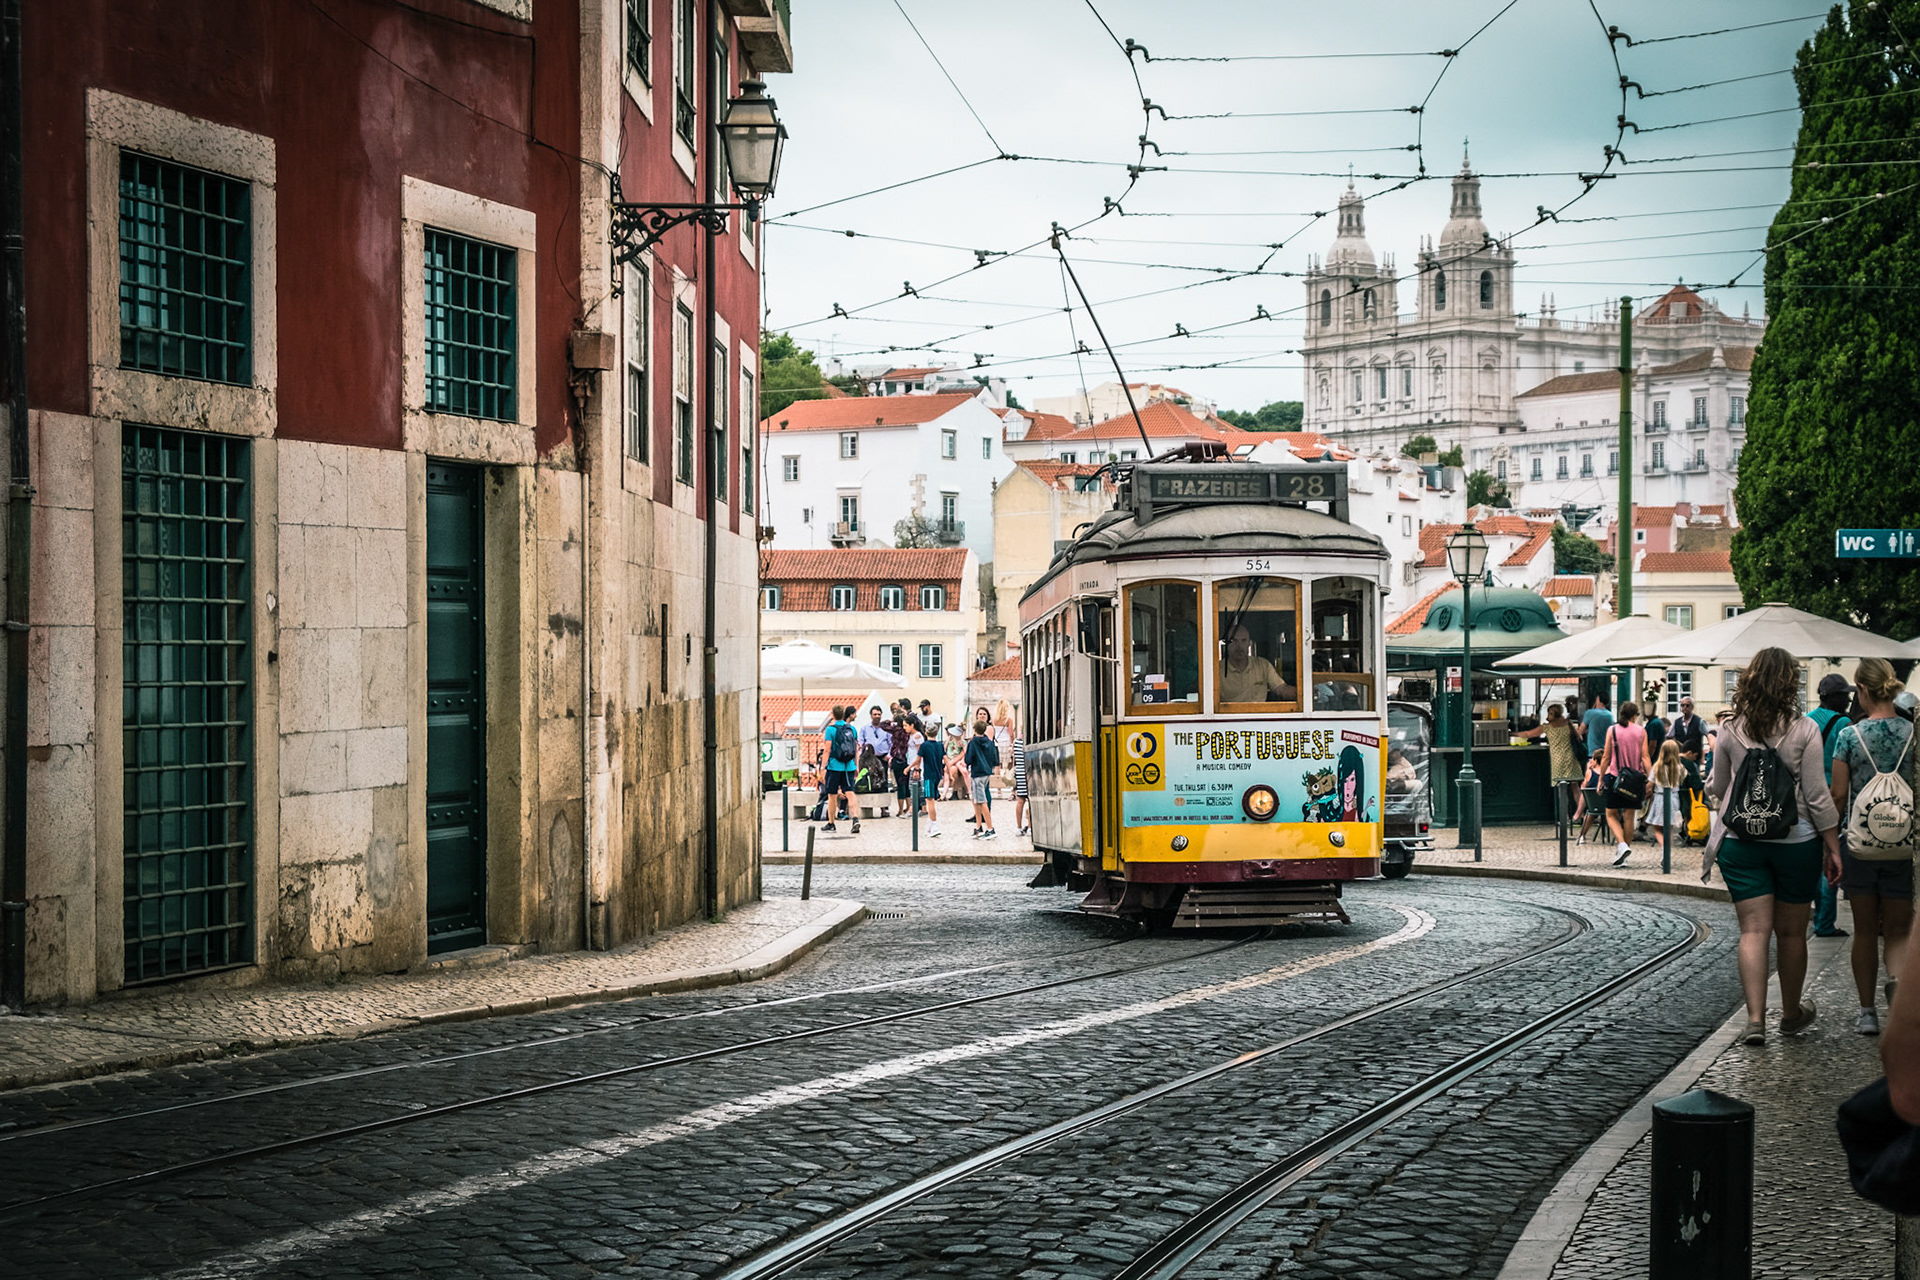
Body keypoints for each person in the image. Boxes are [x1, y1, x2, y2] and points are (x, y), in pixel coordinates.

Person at [1706, 646, 1843, 1046]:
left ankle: (1754, 1021)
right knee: (1791, 933)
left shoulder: (1730, 729)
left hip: (1740, 842)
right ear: (1790, 684)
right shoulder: (1805, 730)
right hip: (1795, 842)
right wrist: (1832, 847)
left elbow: (1717, 786)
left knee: (1752, 931)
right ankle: (1790, 1014)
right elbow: (1818, 796)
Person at [1829, 658, 1914, 1037]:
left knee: (1864, 930)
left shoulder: (1849, 736)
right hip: (1903, 843)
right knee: (1897, 931)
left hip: (1860, 843)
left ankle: (1867, 1013)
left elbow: (1838, 793)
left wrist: (1828, 841)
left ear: (1861, 690)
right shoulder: (1913, 733)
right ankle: (1897, 982)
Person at [1810, 672, 1856, 939]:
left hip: (1808, 798)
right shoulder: (1845, 725)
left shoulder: (1805, 721)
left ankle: (1818, 916)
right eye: (1844, 694)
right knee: (1832, 857)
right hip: (1833, 796)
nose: (1849, 699)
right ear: (1833, 697)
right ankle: (1825, 922)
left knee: (1815, 859)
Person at [1599, 700, 1653, 866]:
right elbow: (1645, 757)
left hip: (1616, 776)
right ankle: (1624, 855)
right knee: (1629, 817)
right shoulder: (1641, 731)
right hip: (1635, 780)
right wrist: (1650, 778)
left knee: (1610, 814)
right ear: (1635, 715)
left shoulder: (1613, 730)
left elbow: (1606, 757)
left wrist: (1601, 777)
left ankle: (1621, 845)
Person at [1219, 624, 1297, 703]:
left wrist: (1304, 693)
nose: (1239, 646)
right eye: (1234, 641)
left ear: (1249, 643)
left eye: (1243, 640)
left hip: (1259, 715)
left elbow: (1282, 689)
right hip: (1229, 715)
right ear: (1227, 644)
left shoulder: (1263, 665)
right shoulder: (1217, 670)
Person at [1670, 695, 1706, 842]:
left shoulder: (1699, 722)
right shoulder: (1677, 723)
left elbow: (1708, 734)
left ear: (1692, 707)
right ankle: (1690, 826)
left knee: (1692, 791)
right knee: (1689, 792)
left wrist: (1702, 756)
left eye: (1687, 705)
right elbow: (1669, 736)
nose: (1684, 708)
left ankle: (1690, 826)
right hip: (1683, 759)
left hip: (1693, 760)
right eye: (1682, 705)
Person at [820, 705, 861, 834]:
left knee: (832, 795)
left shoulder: (830, 730)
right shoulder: (852, 729)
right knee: (850, 792)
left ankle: (831, 823)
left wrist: (823, 767)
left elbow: (827, 749)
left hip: (834, 766)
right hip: (849, 766)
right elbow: (855, 749)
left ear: (833, 715)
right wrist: (856, 765)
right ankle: (855, 818)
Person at [1643, 739, 1688, 838]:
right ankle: (1668, 846)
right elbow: (1683, 777)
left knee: (1657, 826)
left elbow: (1650, 784)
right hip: (1674, 798)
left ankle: (1663, 845)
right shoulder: (1680, 767)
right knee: (1669, 826)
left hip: (1659, 798)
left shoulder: (1657, 767)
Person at [964, 722, 1001, 839]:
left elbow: (968, 759)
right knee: (977, 800)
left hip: (977, 773)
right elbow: (995, 759)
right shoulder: (990, 743)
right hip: (986, 773)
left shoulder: (973, 743)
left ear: (974, 729)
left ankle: (990, 828)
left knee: (981, 801)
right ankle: (978, 827)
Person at [861, 706, 895, 816]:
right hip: (869, 759)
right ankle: (867, 806)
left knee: (883, 782)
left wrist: (889, 756)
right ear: (871, 715)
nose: (877, 716)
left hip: (883, 758)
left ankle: (884, 808)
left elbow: (891, 743)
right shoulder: (865, 728)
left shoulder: (886, 729)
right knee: (868, 781)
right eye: (875, 714)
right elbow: (861, 743)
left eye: (879, 714)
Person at [913, 719, 945, 837]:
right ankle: (930, 827)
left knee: (929, 801)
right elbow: (945, 759)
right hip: (937, 776)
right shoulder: (940, 745)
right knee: (931, 800)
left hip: (928, 776)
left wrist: (911, 768)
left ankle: (934, 824)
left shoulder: (924, 746)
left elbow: (918, 760)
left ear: (926, 733)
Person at [1575, 750, 1604, 844]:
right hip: (1609, 805)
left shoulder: (1590, 773)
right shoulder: (1611, 773)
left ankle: (1582, 835)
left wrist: (1588, 769)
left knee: (1591, 813)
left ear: (1595, 761)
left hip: (1594, 806)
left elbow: (1583, 787)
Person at [1582, 690, 1615, 759]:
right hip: (1606, 751)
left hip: (1593, 752)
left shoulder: (1590, 713)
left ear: (1597, 699)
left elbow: (1580, 731)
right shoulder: (1610, 715)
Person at [1011, 731, 1030, 837]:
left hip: (1019, 773)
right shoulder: (1031, 741)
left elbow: (1014, 760)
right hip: (1030, 772)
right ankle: (1030, 827)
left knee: (1020, 800)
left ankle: (1018, 827)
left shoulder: (1016, 742)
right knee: (1031, 801)